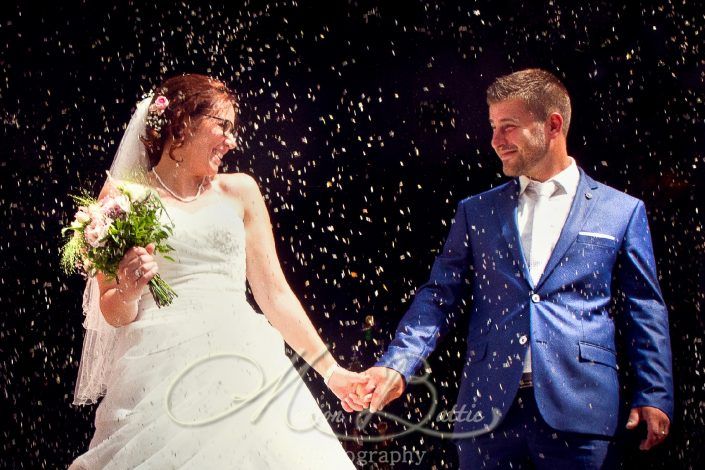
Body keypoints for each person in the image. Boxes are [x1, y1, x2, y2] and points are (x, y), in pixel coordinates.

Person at [353, 69, 674, 468]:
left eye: (509, 126)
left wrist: (655, 392)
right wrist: (398, 364)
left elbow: (644, 306)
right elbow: (439, 296)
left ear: (552, 125)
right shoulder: (476, 211)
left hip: (581, 408)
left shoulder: (621, 211)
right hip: (487, 414)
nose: (495, 140)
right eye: (492, 127)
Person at [69, 74, 366, 469]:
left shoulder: (240, 191)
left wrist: (331, 372)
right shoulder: (123, 199)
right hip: (157, 371)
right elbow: (114, 313)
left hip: (242, 359)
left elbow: (274, 294)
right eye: (222, 127)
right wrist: (126, 287)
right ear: (182, 123)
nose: (232, 141)